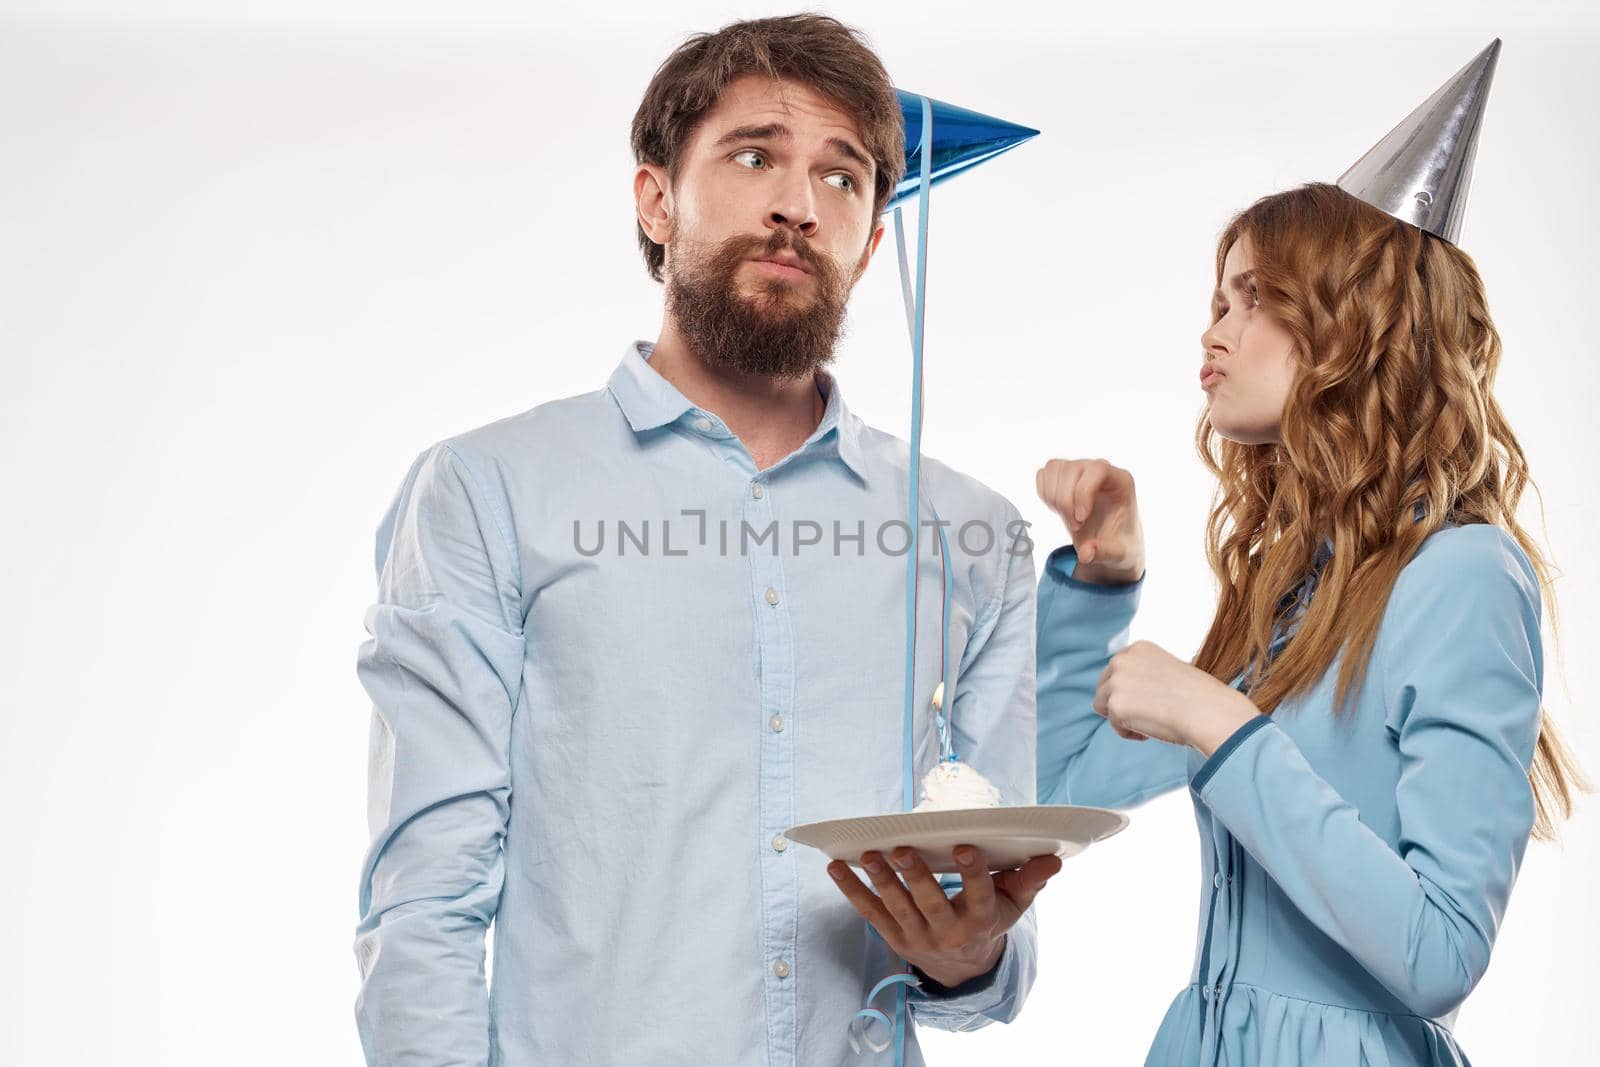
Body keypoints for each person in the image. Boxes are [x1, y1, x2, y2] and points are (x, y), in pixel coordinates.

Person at [352, 14, 1058, 1065]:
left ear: (871, 243)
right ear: (655, 198)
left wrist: (967, 953)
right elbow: (426, 903)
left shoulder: (973, 534)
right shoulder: (489, 490)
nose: (795, 205)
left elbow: (987, 939)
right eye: (754, 154)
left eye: (843, 176)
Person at [1032, 179, 1587, 1065]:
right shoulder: (1291, 598)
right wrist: (1103, 578)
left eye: (1258, 299)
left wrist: (1220, 722)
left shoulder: (1464, 575)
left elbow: (1441, 950)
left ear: (1374, 328)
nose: (1214, 332)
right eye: (1220, 300)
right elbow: (1053, 789)